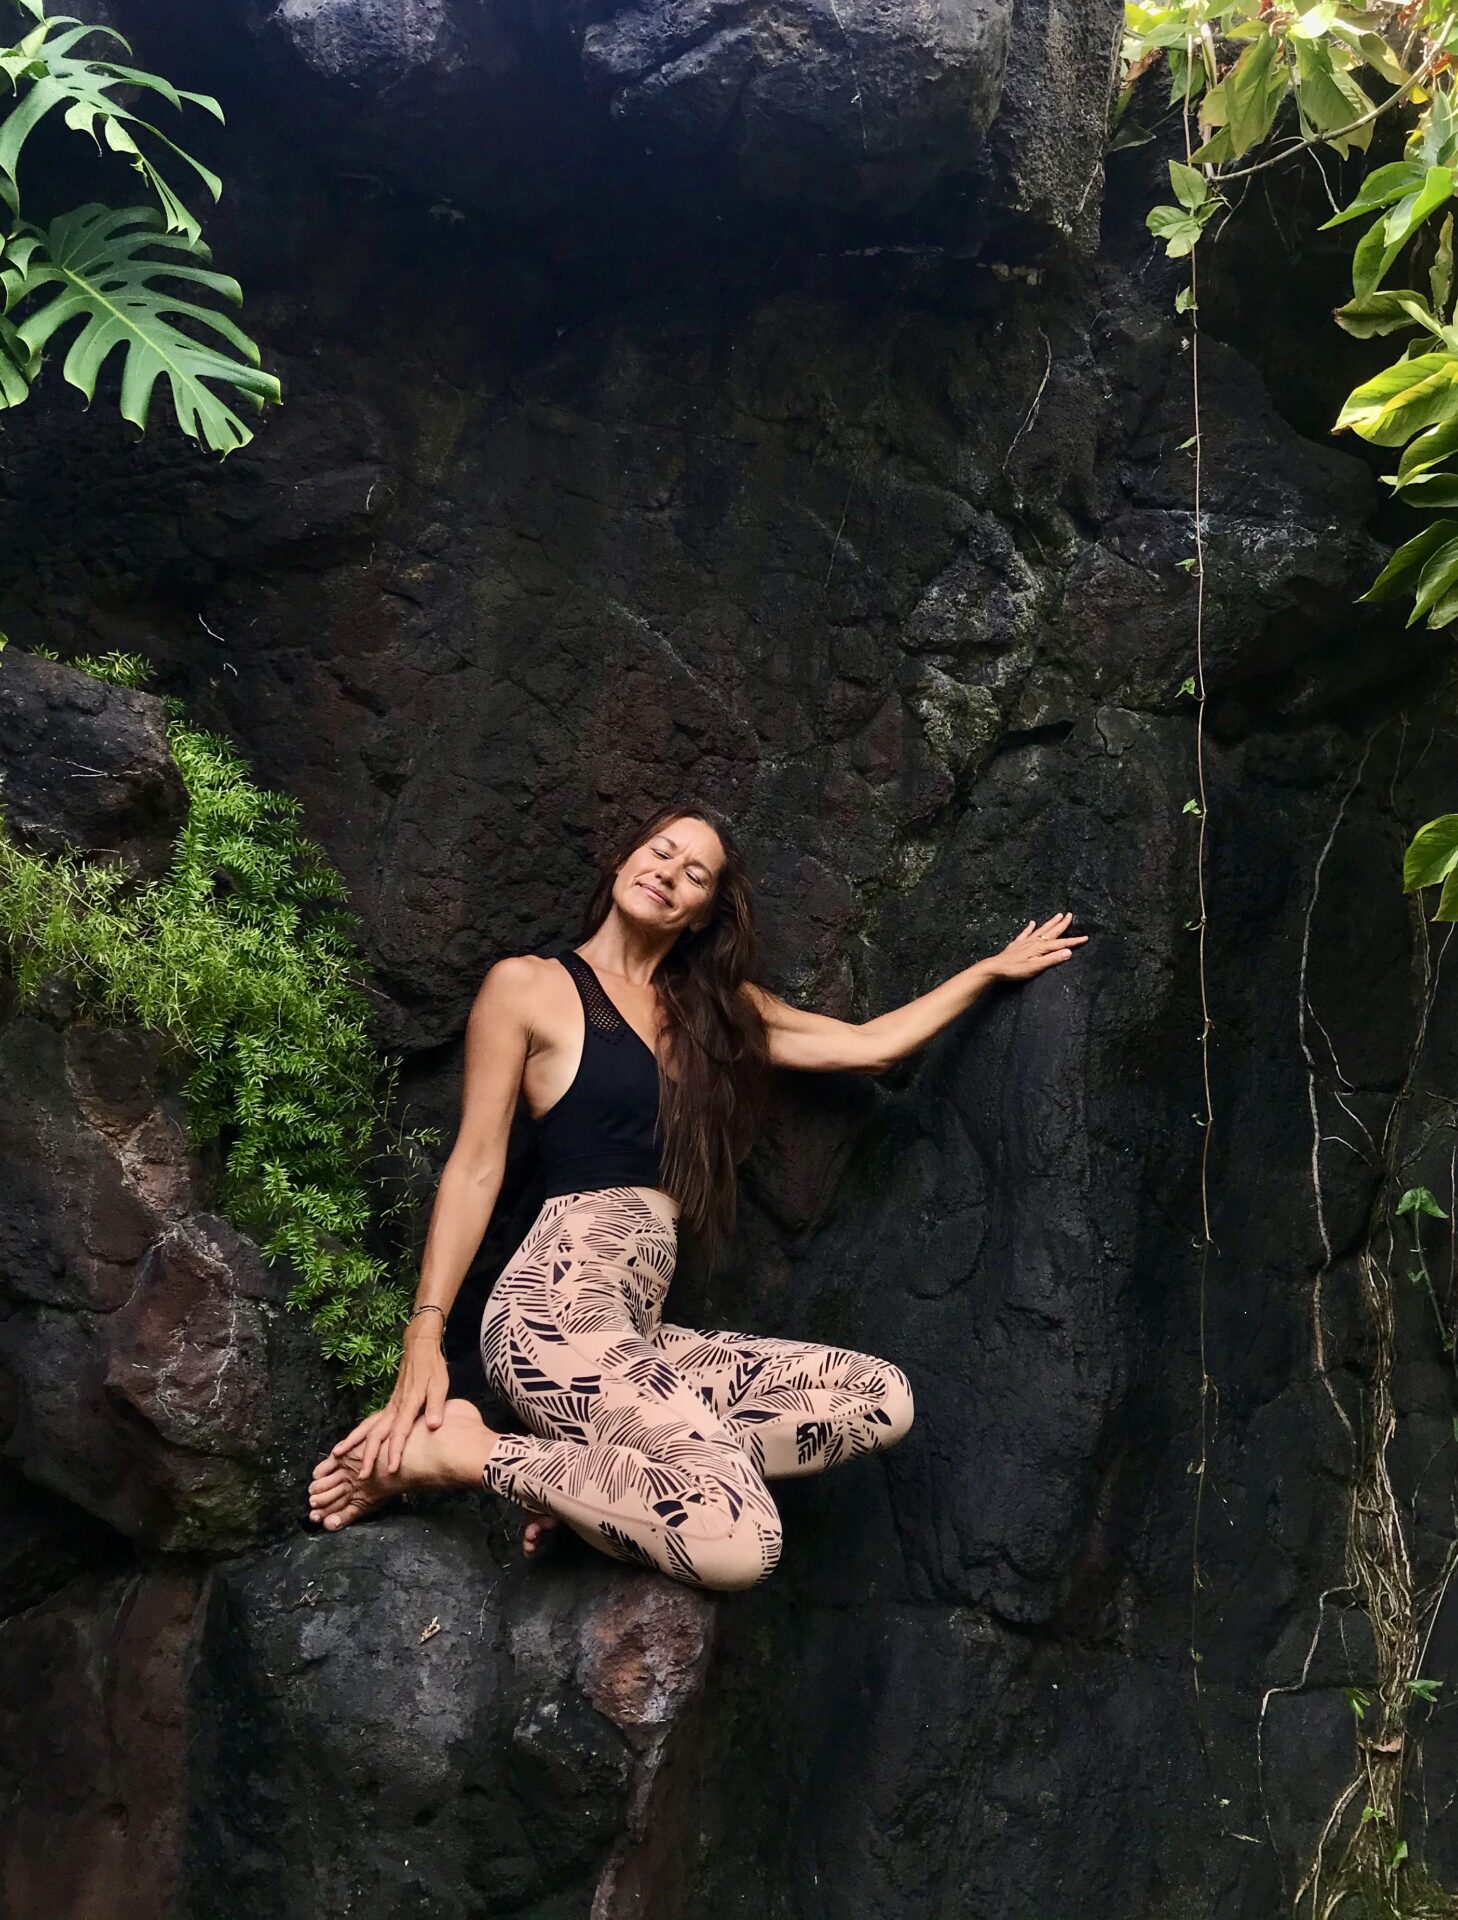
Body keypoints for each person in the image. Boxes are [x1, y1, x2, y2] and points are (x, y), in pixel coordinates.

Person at [306, 803, 1087, 1591]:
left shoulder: (716, 1014)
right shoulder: (531, 987)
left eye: (694, 874)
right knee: (742, 1543)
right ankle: (468, 1453)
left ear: (704, 913)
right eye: (660, 851)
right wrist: (425, 1334)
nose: (667, 873)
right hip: (552, 1311)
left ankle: (596, 1491)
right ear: (622, 863)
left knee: (879, 1400)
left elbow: (868, 1046)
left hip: (639, 1335)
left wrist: (990, 969)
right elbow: (476, 1167)